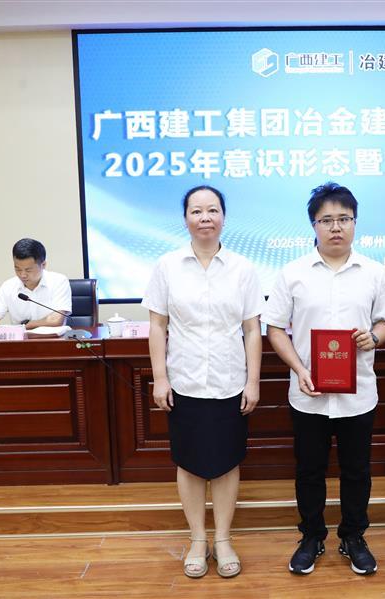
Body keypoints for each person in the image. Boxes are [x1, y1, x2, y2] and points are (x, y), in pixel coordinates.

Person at [262, 182, 385, 577]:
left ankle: (353, 537)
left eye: (344, 219)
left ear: (355, 223)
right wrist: (299, 369)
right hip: (309, 392)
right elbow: (274, 328)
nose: (336, 227)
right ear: (313, 225)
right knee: (309, 471)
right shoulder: (292, 273)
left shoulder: (374, 272)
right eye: (326, 220)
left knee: (357, 472)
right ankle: (311, 536)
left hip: (358, 393)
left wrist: (374, 338)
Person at [143, 185, 263, 579]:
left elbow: (252, 329)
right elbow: (157, 326)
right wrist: (160, 378)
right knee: (190, 463)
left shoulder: (243, 268)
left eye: (212, 210)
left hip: (230, 382)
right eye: (197, 211)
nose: (205, 217)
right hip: (185, 381)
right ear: (185, 219)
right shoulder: (167, 266)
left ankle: (223, 539)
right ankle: (197, 539)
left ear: (224, 217)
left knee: (227, 463)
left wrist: (253, 382)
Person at [0, 238, 71, 328]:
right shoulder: (8, 286)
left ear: (43, 265)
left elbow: (57, 320)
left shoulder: (58, 281)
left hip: (51, 337)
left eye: (28, 270)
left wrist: (26, 325)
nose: (23, 275)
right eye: (18, 269)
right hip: (20, 337)